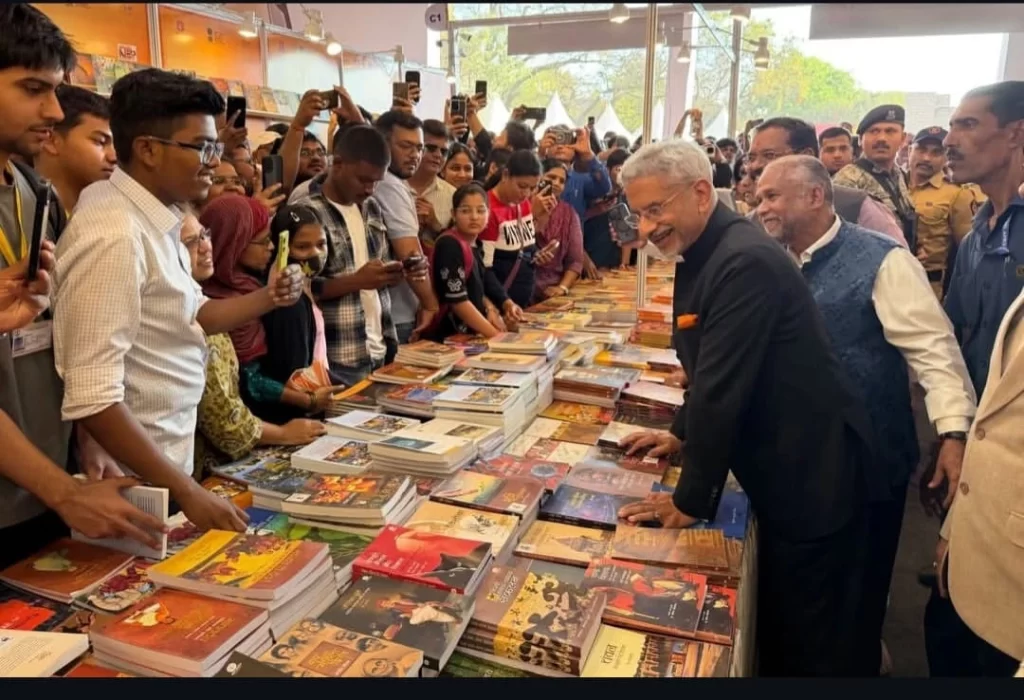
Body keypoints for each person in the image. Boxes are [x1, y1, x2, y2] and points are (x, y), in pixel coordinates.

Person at [613, 139, 882, 676]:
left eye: (655, 210)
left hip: (810, 470)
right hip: (786, 458)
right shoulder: (711, 247)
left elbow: (722, 384)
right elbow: (709, 360)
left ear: (698, 191)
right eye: (639, 214)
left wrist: (690, 500)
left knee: (807, 630)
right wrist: (681, 433)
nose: (646, 229)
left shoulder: (743, 259)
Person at [51, 68, 304, 532]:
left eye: (216, 147)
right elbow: (93, 396)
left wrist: (268, 299)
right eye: (202, 148)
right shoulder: (114, 234)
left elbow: (192, 315)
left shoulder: (160, 216)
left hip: (165, 466)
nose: (214, 160)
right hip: (135, 481)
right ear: (147, 149)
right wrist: (187, 492)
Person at [756, 154, 977, 676]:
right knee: (802, 595)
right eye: (758, 195)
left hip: (866, 458)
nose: (758, 206)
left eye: (771, 196)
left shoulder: (881, 259)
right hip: (794, 461)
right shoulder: (769, 259)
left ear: (814, 197)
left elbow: (934, 351)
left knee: (854, 594)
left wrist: (952, 432)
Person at [0, 4, 152, 566]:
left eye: (57, 90)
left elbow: (57, 338)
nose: (53, 110)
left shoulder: (30, 191)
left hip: (43, 479)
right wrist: (62, 490)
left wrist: (85, 437)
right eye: (33, 88)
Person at [931, 80, 1024, 677]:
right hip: (974, 455)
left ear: (1015, 133)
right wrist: (952, 433)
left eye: (967, 125)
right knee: (950, 622)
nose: (950, 139)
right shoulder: (978, 233)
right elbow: (962, 344)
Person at [181, 210, 325, 476]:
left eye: (205, 235)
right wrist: (285, 429)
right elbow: (225, 415)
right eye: (190, 242)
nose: (204, 246)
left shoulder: (245, 293)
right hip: (206, 463)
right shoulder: (206, 315)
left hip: (245, 442)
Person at [199, 194, 342, 423]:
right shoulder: (225, 301)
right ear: (235, 242)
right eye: (263, 241)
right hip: (261, 424)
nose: (272, 247)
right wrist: (307, 401)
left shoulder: (255, 287)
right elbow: (249, 379)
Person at [293, 125, 410, 386]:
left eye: (377, 181)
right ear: (338, 164)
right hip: (338, 357)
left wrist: (396, 273)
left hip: (382, 346)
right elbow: (300, 290)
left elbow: (375, 275)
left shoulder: (372, 208)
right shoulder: (306, 213)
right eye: (363, 179)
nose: (370, 188)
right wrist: (358, 281)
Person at [747, 117, 907, 245]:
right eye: (751, 158)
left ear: (806, 155)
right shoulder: (750, 225)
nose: (755, 166)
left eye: (769, 155)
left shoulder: (859, 208)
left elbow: (899, 269)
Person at [260, 204, 348, 422]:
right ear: (283, 248)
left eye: (321, 244)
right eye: (302, 247)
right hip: (297, 417)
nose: (315, 254)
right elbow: (294, 375)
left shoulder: (304, 289)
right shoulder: (289, 300)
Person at [371, 110, 439, 344]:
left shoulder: (392, 182)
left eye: (420, 148)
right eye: (406, 146)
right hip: (395, 314)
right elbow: (410, 254)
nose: (415, 155)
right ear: (383, 145)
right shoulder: (389, 184)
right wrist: (430, 304)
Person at [427, 183, 524, 340]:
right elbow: (458, 302)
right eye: (465, 211)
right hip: (448, 336)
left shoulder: (474, 244)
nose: (474, 217)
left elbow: (478, 284)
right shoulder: (450, 244)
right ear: (453, 214)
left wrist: (494, 306)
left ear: (488, 213)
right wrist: (497, 336)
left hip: (469, 334)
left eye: (480, 210)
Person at [907, 126, 984, 300]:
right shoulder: (895, 185)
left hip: (928, 288)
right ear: (909, 150)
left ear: (946, 157)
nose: (926, 158)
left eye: (936, 152)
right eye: (921, 150)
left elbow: (968, 250)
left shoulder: (957, 193)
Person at [833, 105, 918, 251]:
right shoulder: (847, 181)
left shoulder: (900, 175)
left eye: (890, 131)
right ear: (860, 140)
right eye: (874, 131)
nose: (881, 138)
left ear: (903, 139)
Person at [480, 149, 556, 309]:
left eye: (532, 188)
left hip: (521, 305)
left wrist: (537, 255)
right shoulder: (487, 210)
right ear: (506, 175)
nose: (526, 193)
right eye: (522, 186)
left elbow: (524, 249)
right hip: (499, 305)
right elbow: (484, 269)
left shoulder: (524, 204)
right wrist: (505, 302)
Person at [33, 84, 117, 215]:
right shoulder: (25, 213)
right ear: (51, 141)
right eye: (100, 142)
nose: (114, 157)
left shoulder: (106, 214)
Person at [531, 159, 585, 301]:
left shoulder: (568, 213)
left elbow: (575, 260)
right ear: (539, 178)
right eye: (551, 177)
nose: (556, 183)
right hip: (523, 288)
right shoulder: (523, 205)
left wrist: (562, 288)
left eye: (561, 181)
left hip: (554, 291)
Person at [538, 124, 611, 221]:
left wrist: (588, 154)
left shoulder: (580, 180)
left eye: (567, 142)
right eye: (555, 141)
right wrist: (539, 156)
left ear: (575, 148)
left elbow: (604, 187)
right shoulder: (537, 175)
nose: (560, 146)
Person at [408, 119, 456, 251]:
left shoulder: (453, 195)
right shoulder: (391, 186)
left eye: (444, 151)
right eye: (431, 148)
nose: (438, 155)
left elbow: (458, 246)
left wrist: (436, 226)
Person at [583, 148, 631, 273]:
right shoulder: (595, 192)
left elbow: (625, 233)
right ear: (608, 170)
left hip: (612, 259)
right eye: (618, 169)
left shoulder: (624, 196)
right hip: (591, 254)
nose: (622, 175)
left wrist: (624, 264)